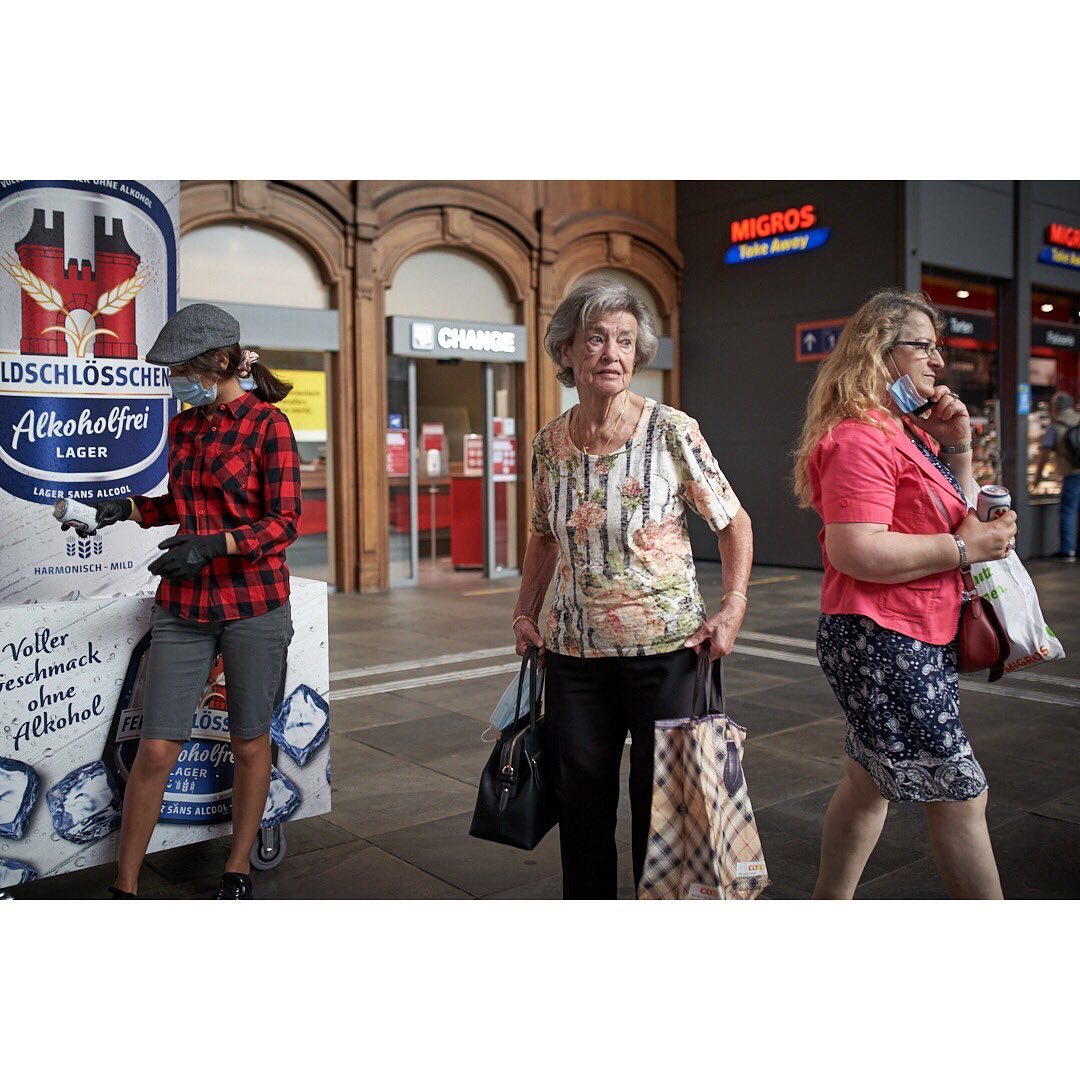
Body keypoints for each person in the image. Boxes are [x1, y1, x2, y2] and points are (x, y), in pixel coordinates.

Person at [513, 278, 753, 899]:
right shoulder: (548, 444)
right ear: (566, 351)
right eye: (594, 339)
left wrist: (733, 606)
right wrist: (523, 612)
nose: (611, 354)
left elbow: (733, 521)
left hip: (666, 653)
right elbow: (543, 536)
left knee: (664, 807)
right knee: (582, 803)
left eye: (624, 340)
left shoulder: (670, 430)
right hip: (573, 655)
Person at [64, 304, 301, 899]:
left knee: (248, 740)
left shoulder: (268, 426)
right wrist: (130, 508)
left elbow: (284, 524)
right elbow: (182, 504)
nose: (177, 381)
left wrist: (213, 546)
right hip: (184, 607)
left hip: (255, 605)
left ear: (221, 363)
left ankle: (238, 867)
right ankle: (125, 887)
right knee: (156, 746)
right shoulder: (187, 427)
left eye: (183, 370)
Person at [793, 287, 1017, 900]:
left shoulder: (904, 432)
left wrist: (959, 448)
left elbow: (957, 514)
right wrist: (967, 550)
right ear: (879, 352)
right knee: (962, 794)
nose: (938, 361)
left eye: (937, 348)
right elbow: (855, 550)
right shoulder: (861, 438)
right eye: (923, 346)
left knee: (868, 782)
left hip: (912, 630)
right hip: (882, 635)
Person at [1033, 391, 1080, 561]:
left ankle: (1067, 550)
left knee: (1068, 510)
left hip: (1072, 474)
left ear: (1055, 408)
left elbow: (1044, 456)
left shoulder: (1055, 427)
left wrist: (1037, 479)